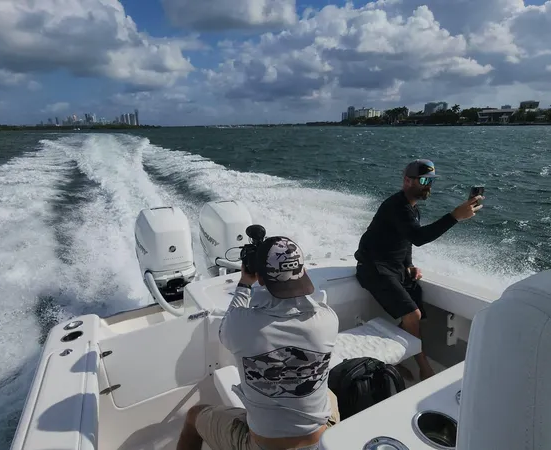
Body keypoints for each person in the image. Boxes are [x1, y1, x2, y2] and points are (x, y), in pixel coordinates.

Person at [177, 236, 340, 450]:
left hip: (264, 446)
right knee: (329, 394)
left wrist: (245, 283)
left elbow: (230, 319)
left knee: (193, 416)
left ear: (261, 279)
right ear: (303, 272)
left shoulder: (240, 326)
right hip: (321, 438)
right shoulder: (327, 320)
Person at [354, 159, 483, 381]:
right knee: (412, 315)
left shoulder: (412, 208)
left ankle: (392, 361)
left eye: (431, 181)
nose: (428, 186)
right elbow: (420, 237)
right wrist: (454, 217)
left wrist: (409, 265)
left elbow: (408, 241)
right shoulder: (397, 206)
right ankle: (424, 367)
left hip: (395, 268)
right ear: (407, 180)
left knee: (417, 314)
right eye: (424, 180)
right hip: (373, 268)